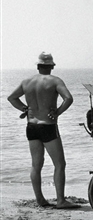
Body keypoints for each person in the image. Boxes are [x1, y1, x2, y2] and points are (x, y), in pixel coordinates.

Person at [7, 52, 80, 209]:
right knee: (60, 164)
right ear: (52, 66)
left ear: (38, 66)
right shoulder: (55, 81)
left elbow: (12, 97)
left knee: (36, 165)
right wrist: (57, 112)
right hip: (47, 125)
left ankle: (40, 199)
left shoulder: (27, 82)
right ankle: (60, 200)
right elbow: (69, 98)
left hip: (31, 126)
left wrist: (24, 109)